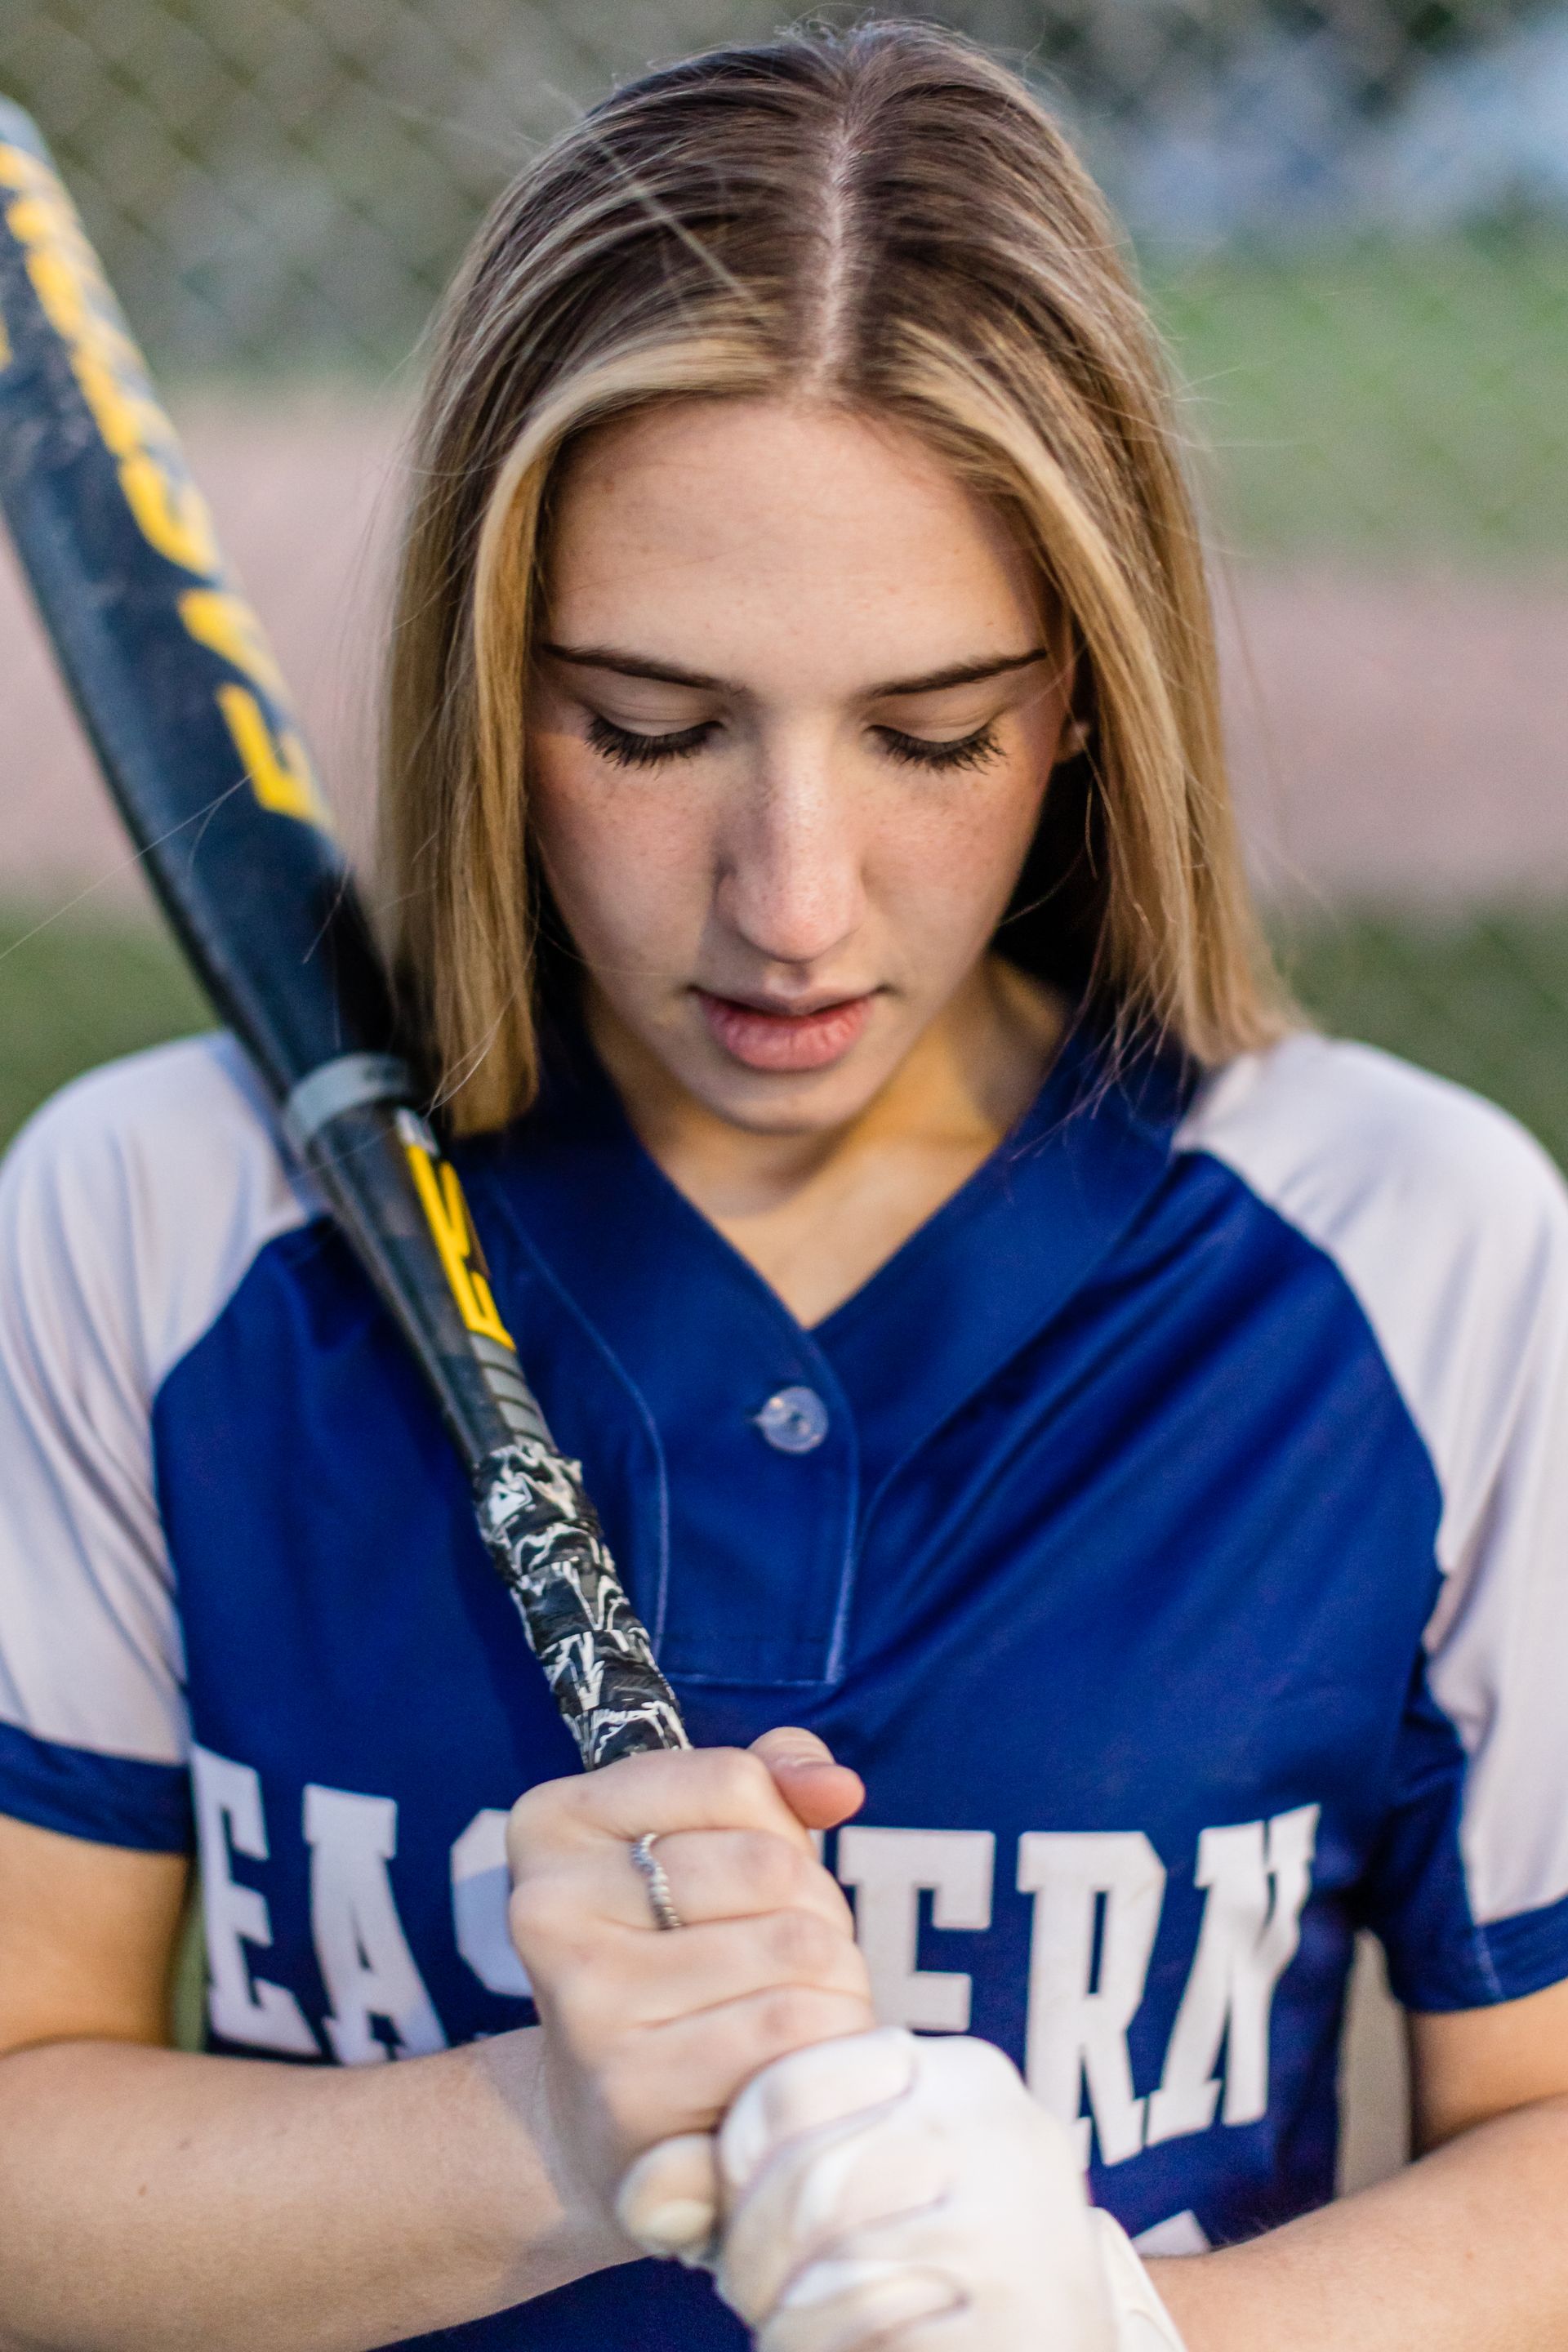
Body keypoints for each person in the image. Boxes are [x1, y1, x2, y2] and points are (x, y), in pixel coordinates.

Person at [2, 19, 1567, 2351]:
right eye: (647, 728)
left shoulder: (1418, 1251)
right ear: (487, 679)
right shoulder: (158, 1217)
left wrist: (1125, 2335)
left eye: (935, 735)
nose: (793, 901)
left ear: (1086, 698)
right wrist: (548, 2138)